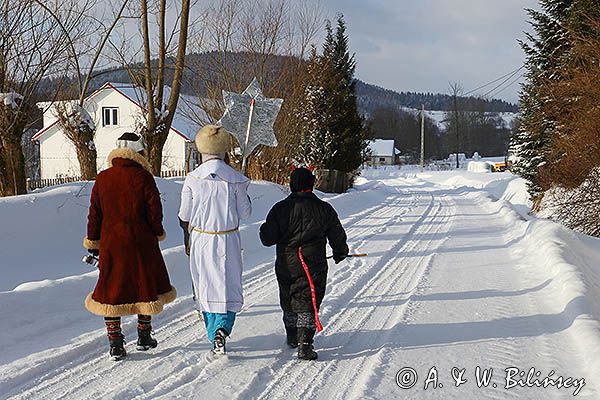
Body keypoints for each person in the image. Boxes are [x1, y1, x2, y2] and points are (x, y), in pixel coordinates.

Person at [83, 132, 176, 361]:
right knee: (145, 286)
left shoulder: (103, 178)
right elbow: (155, 211)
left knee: (111, 290)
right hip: (141, 242)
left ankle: (115, 343)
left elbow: (94, 213)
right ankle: (144, 336)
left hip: (112, 242)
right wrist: (156, 231)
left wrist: (93, 240)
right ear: (139, 152)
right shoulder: (143, 177)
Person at [259, 167, 348, 360]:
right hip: (314, 263)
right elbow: (336, 234)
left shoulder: (280, 209)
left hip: (286, 263)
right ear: (311, 184)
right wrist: (340, 252)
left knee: (289, 297)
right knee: (308, 300)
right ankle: (305, 343)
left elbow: (267, 238)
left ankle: (292, 335)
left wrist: (264, 228)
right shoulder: (324, 208)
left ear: (292, 185)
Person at [178, 125, 252, 355]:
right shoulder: (236, 180)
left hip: (202, 238)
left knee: (206, 284)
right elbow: (246, 213)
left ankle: (214, 330)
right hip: (228, 238)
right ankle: (222, 328)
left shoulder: (193, 178)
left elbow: (185, 215)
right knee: (228, 284)